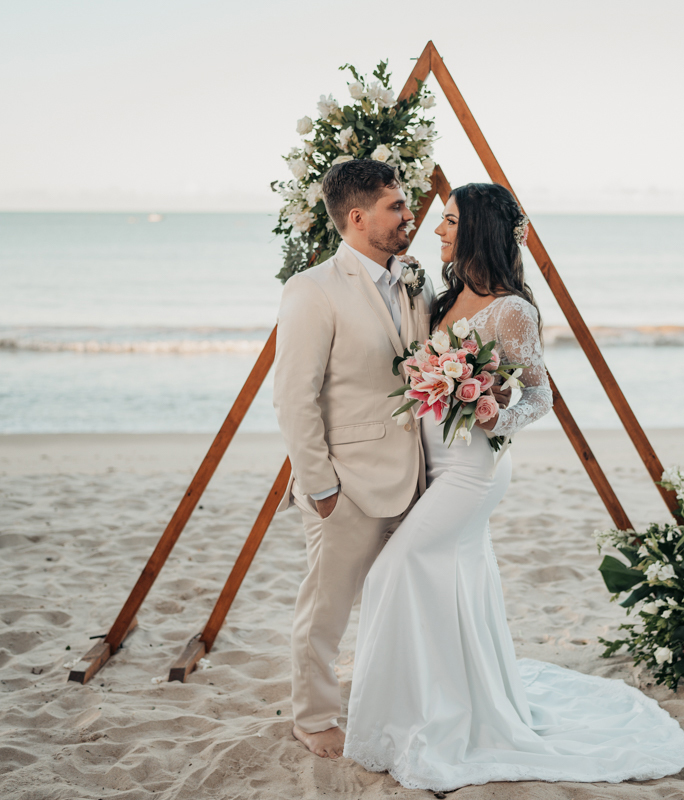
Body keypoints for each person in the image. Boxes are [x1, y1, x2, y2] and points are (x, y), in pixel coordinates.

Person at [343, 183, 684, 791]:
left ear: (476, 228)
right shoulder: (444, 296)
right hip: (431, 463)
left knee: (391, 573)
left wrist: (490, 413)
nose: (438, 230)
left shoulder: (512, 311)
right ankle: (444, 702)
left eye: (449, 221)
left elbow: (539, 395)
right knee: (449, 584)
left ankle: (436, 714)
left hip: (472, 470)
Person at [272, 158, 433, 759]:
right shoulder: (312, 290)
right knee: (326, 609)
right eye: (397, 207)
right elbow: (294, 395)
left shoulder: (414, 276)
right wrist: (318, 484)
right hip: (347, 483)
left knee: (401, 605)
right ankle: (313, 717)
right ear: (358, 217)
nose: (409, 215)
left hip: (417, 475)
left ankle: (392, 704)